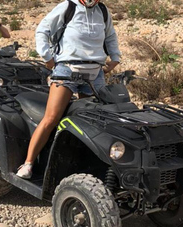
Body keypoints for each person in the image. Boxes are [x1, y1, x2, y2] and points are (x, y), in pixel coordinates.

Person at [16, 0, 121, 179]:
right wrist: (47, 58)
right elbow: (43, 30)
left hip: (95, 73)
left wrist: (115, 58)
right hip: (67, 69)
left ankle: (87, 165)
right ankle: (28, 163)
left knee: (95, 121)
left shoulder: (102, 11)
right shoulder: (68, 7)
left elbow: (110, 35)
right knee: (51, 118)